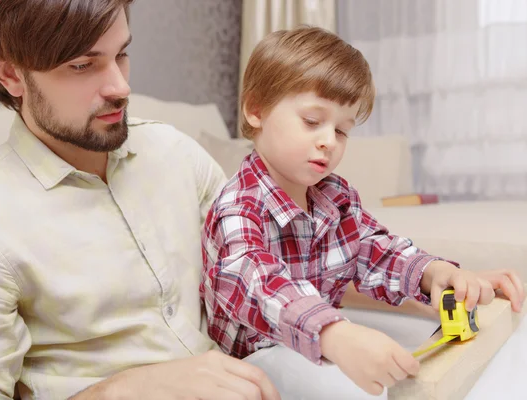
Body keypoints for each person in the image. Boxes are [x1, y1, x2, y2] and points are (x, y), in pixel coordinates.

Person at [0, 1, 281, 399]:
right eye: (82, 65)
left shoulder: (176, 153)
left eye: (122, 54)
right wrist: (120, 390)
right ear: (10, 73)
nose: (121, 87)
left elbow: (262, 267)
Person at [200, 26, 525, 396]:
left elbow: (375, 250)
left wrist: (432, 273)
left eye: (341, 131)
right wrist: (334, 334)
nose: (327, 141)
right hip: (251, 363)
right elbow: (255, 281)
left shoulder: (335, 196)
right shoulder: (237, 207)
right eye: (311, 121)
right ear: (255, 110)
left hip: (318, 344)